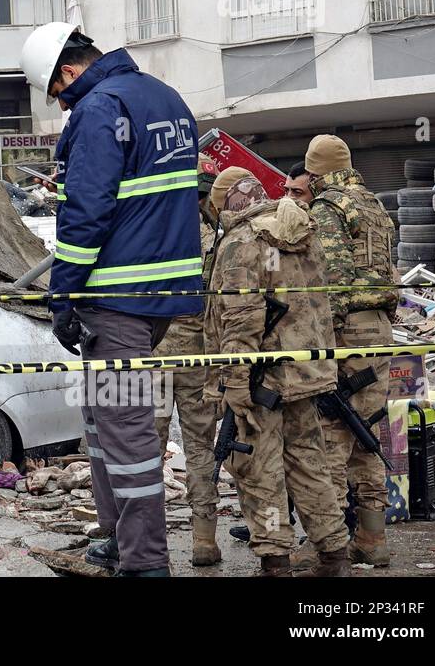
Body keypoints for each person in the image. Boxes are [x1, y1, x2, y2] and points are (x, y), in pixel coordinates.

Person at [20, 22, 203, 577]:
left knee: (124, 431)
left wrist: (63, 293)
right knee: (99, 418)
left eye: (58, 93)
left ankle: (144, 560)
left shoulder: (99, 108)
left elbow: (87, 214)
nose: (63, 104)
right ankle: (115, 535)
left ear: (68, 71)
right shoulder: (166, 98)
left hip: (116, 297)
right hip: (162, 295)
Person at [205, 168, 351, 577]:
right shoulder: (301, 232)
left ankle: (275, 561)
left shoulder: (242, 242)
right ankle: (335, 554)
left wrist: (234, 383)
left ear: (227, 202)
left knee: (259, 472)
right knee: (310, 465)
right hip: (306, 375)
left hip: (261, 381)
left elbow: (241, 319)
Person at [304, 134, 399, 567]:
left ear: (315, 169)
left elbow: (334, 276)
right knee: (369, 429)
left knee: (334, 433)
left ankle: (331, 544)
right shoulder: (374, 205)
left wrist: (325, 333)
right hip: (380, 329)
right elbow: (390, 270)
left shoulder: (328, 208)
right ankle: (373, 539)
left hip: (347, 334)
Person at [153, 157, 222, 567]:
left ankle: (146, 540)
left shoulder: (155, 231)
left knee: (148, 448)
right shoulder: (218, 237)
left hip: (157, 352)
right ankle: (204, 538)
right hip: (198, 354)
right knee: (200, 446)